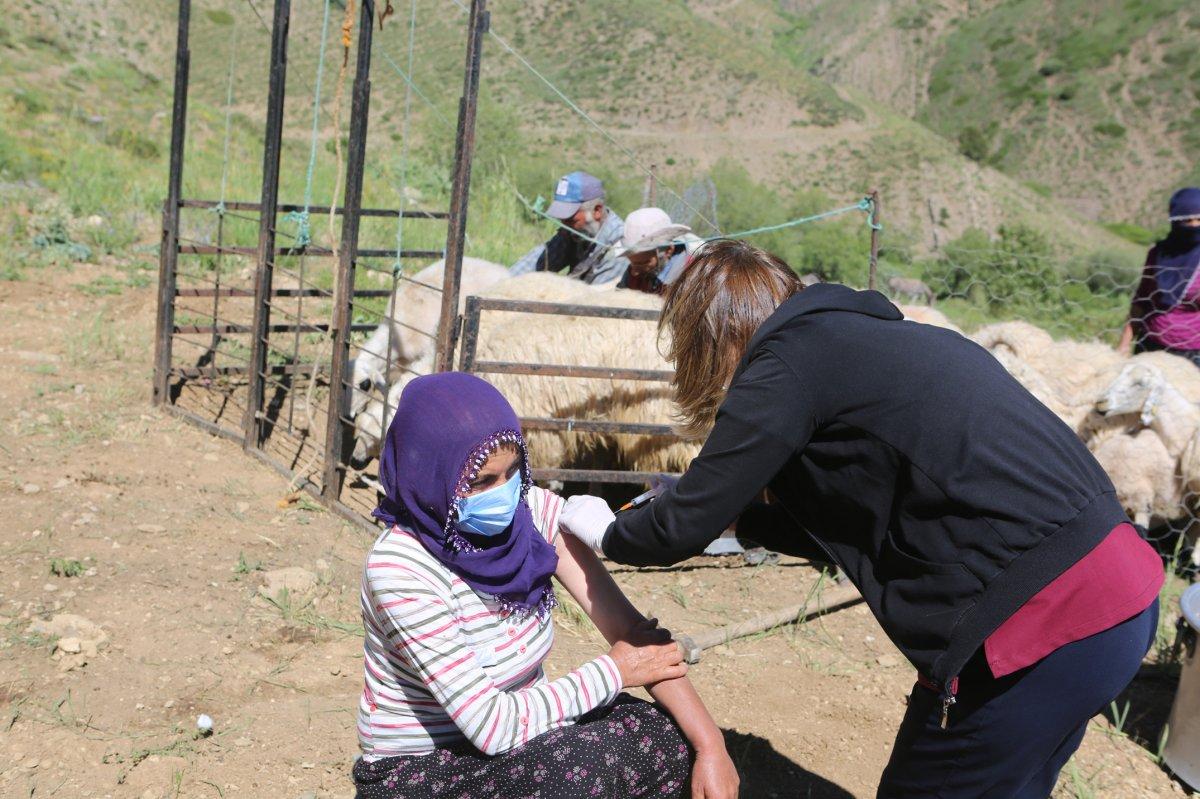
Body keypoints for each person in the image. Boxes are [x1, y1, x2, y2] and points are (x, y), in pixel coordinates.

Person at [558, 239, 1164, 798]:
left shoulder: (785, 360)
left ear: (712, 336)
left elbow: (674, 533)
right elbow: (849, 528)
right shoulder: (871, 343)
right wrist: (737, 519)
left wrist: (606, 529)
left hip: (1039, 626)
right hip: (1119, 598)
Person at [352, 372, 738, 799]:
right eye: (481, 482)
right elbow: (491, 726)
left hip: (528, 739)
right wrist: (614, 670)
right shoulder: (401, 569)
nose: (504, 492)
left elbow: (632, 636)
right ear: (429, 474)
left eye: (513, 470)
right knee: (579, 769)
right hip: (424, 770)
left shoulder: (530, 512)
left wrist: (711, 746)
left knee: (667, 737)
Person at [1119, 187, 1200, 365]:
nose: (1194, 226)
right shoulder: (1158, 254)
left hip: (1193, 355)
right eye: (1187, 220)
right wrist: (1124, 346)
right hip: (1150, 346)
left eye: (1199, 220)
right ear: (1175, 221)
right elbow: (1141, 300)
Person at [509, 171, 628, 284]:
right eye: (561, 219)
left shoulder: (619, 248)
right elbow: (531, 266)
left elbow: (596, 301)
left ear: (597, 211)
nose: (564, 227)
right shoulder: (573, 232)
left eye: (570, 219)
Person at [616, 207, 703, 295]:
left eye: (644, 263)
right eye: (633, 263)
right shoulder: (635, 270)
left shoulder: (693, 275)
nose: (635, 273)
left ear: (668, 250)